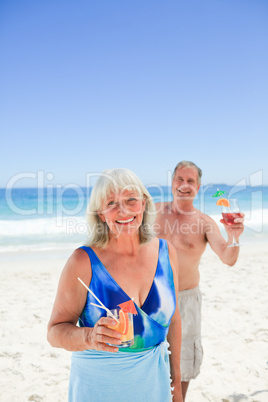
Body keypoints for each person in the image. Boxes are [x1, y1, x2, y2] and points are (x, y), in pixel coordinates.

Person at [47, 168, 183, 402]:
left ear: (143, 204)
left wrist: (176, 382)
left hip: (154, 384)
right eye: (111, 203)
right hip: (100, 387)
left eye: (131, 199)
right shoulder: (83, 262)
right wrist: (89, 337)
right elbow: (54, 332)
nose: (123, 210)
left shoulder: (166, 252)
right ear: (100, 213)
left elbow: (176, 320)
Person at [155, 161, 244, 401]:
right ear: (172, 181)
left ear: (198, 186)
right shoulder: (151, 212)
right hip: (151, 298)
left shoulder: (204, 222)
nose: (184, 185)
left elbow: (228, 258)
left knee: (183, 362)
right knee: (148, 359)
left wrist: (233, 236)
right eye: (180, 179)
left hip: (186, 301)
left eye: (190, 181)